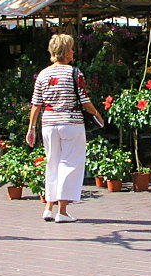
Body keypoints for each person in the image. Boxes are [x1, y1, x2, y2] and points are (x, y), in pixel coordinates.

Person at [26, 34, 104, 223]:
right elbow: (84, 101)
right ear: (65, 52)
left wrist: (31, 128)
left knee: (52, 163)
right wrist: (98, 115)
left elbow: (36, 104)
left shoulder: (43, 74)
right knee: (70, 164)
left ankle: (48, 207)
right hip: (71, 123)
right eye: (71, 48)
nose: (73, 51)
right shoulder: (74, 73)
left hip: (49, 124)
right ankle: (62, 210)